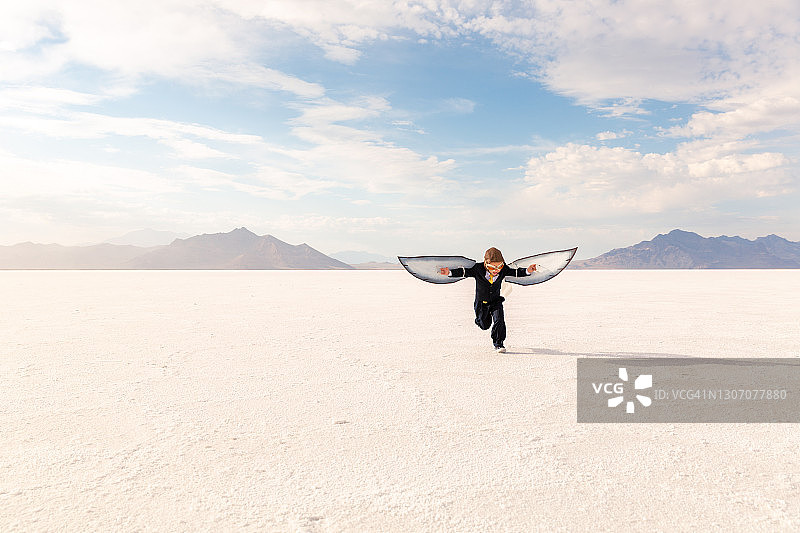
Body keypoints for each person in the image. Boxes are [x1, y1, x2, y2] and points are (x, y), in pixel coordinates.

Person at [438, 247, 536, 353]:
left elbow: (516, 272)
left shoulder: (503, 269)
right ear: (486, 263)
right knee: (484, 325)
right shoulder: (478, 268)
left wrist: (528, 271)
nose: (496, 270)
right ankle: (479, 320)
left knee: (499, 320)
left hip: (496, 301)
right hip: (481, 303)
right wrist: (449, 272)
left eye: (499, 266)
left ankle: (499, 344)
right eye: (492, 267)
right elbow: (464, 272)